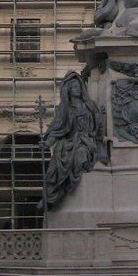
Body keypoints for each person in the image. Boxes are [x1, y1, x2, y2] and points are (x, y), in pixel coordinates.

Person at [40, 71, 107, 210]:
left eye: (77, 86)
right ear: (68, 91)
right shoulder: (66, 110)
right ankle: (52, 194)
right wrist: (47, 143)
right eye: (73, 87)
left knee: (81, 154)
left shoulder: (90, 106)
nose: (76, 89)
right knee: (60, 160)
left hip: (86, 141)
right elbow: (58, 129)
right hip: (70, 141)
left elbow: (99, 124)